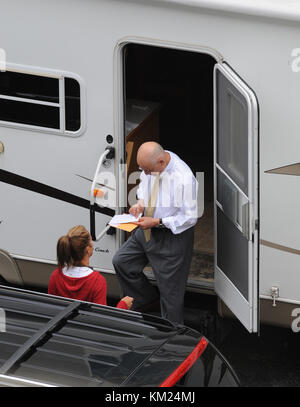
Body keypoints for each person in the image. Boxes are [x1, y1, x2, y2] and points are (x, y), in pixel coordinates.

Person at [113, 142, 198, 324]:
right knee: (122, 262)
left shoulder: (184, 178)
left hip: (171, 237)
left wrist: (158, 221)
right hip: (146, 229)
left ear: (161, 162)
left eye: (148, 170)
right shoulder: (152, 167)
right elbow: (145, 187)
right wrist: (140, 204)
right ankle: (147, 300)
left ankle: (172, 339)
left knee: (171, 295)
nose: (144, 174)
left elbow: (190, 217)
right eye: (142, 169)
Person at [48, 225, 133, 310]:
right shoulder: (97, 281)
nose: (92, 243)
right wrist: (123, 305)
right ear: (87, 250)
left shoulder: (56, 275)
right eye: (91, 240)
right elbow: (101, 318)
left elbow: (51, 309)